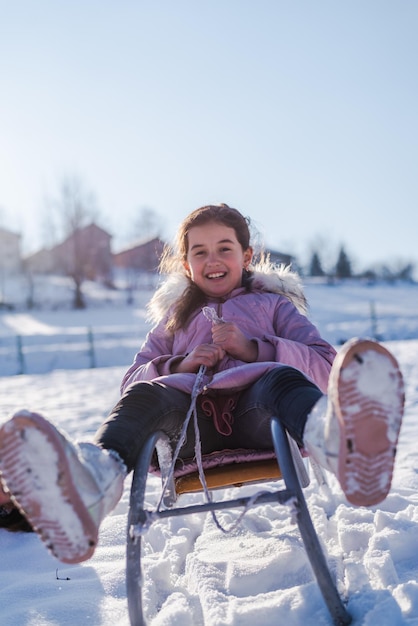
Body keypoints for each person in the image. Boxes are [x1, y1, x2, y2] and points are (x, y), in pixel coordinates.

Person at [0, 203, 404, 564]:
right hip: (185, 428)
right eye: (200, 251)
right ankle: (94, 485)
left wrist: (256, 350)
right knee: (143, 395)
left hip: (259, 420)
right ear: (186, 264)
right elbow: (131, 380)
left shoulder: (274, 306)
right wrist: (180, 362)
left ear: (246, 256)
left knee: (281, 377)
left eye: (224, 248)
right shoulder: (174, 318)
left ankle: (341, 449)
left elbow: (324, 365)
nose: (213, 259)